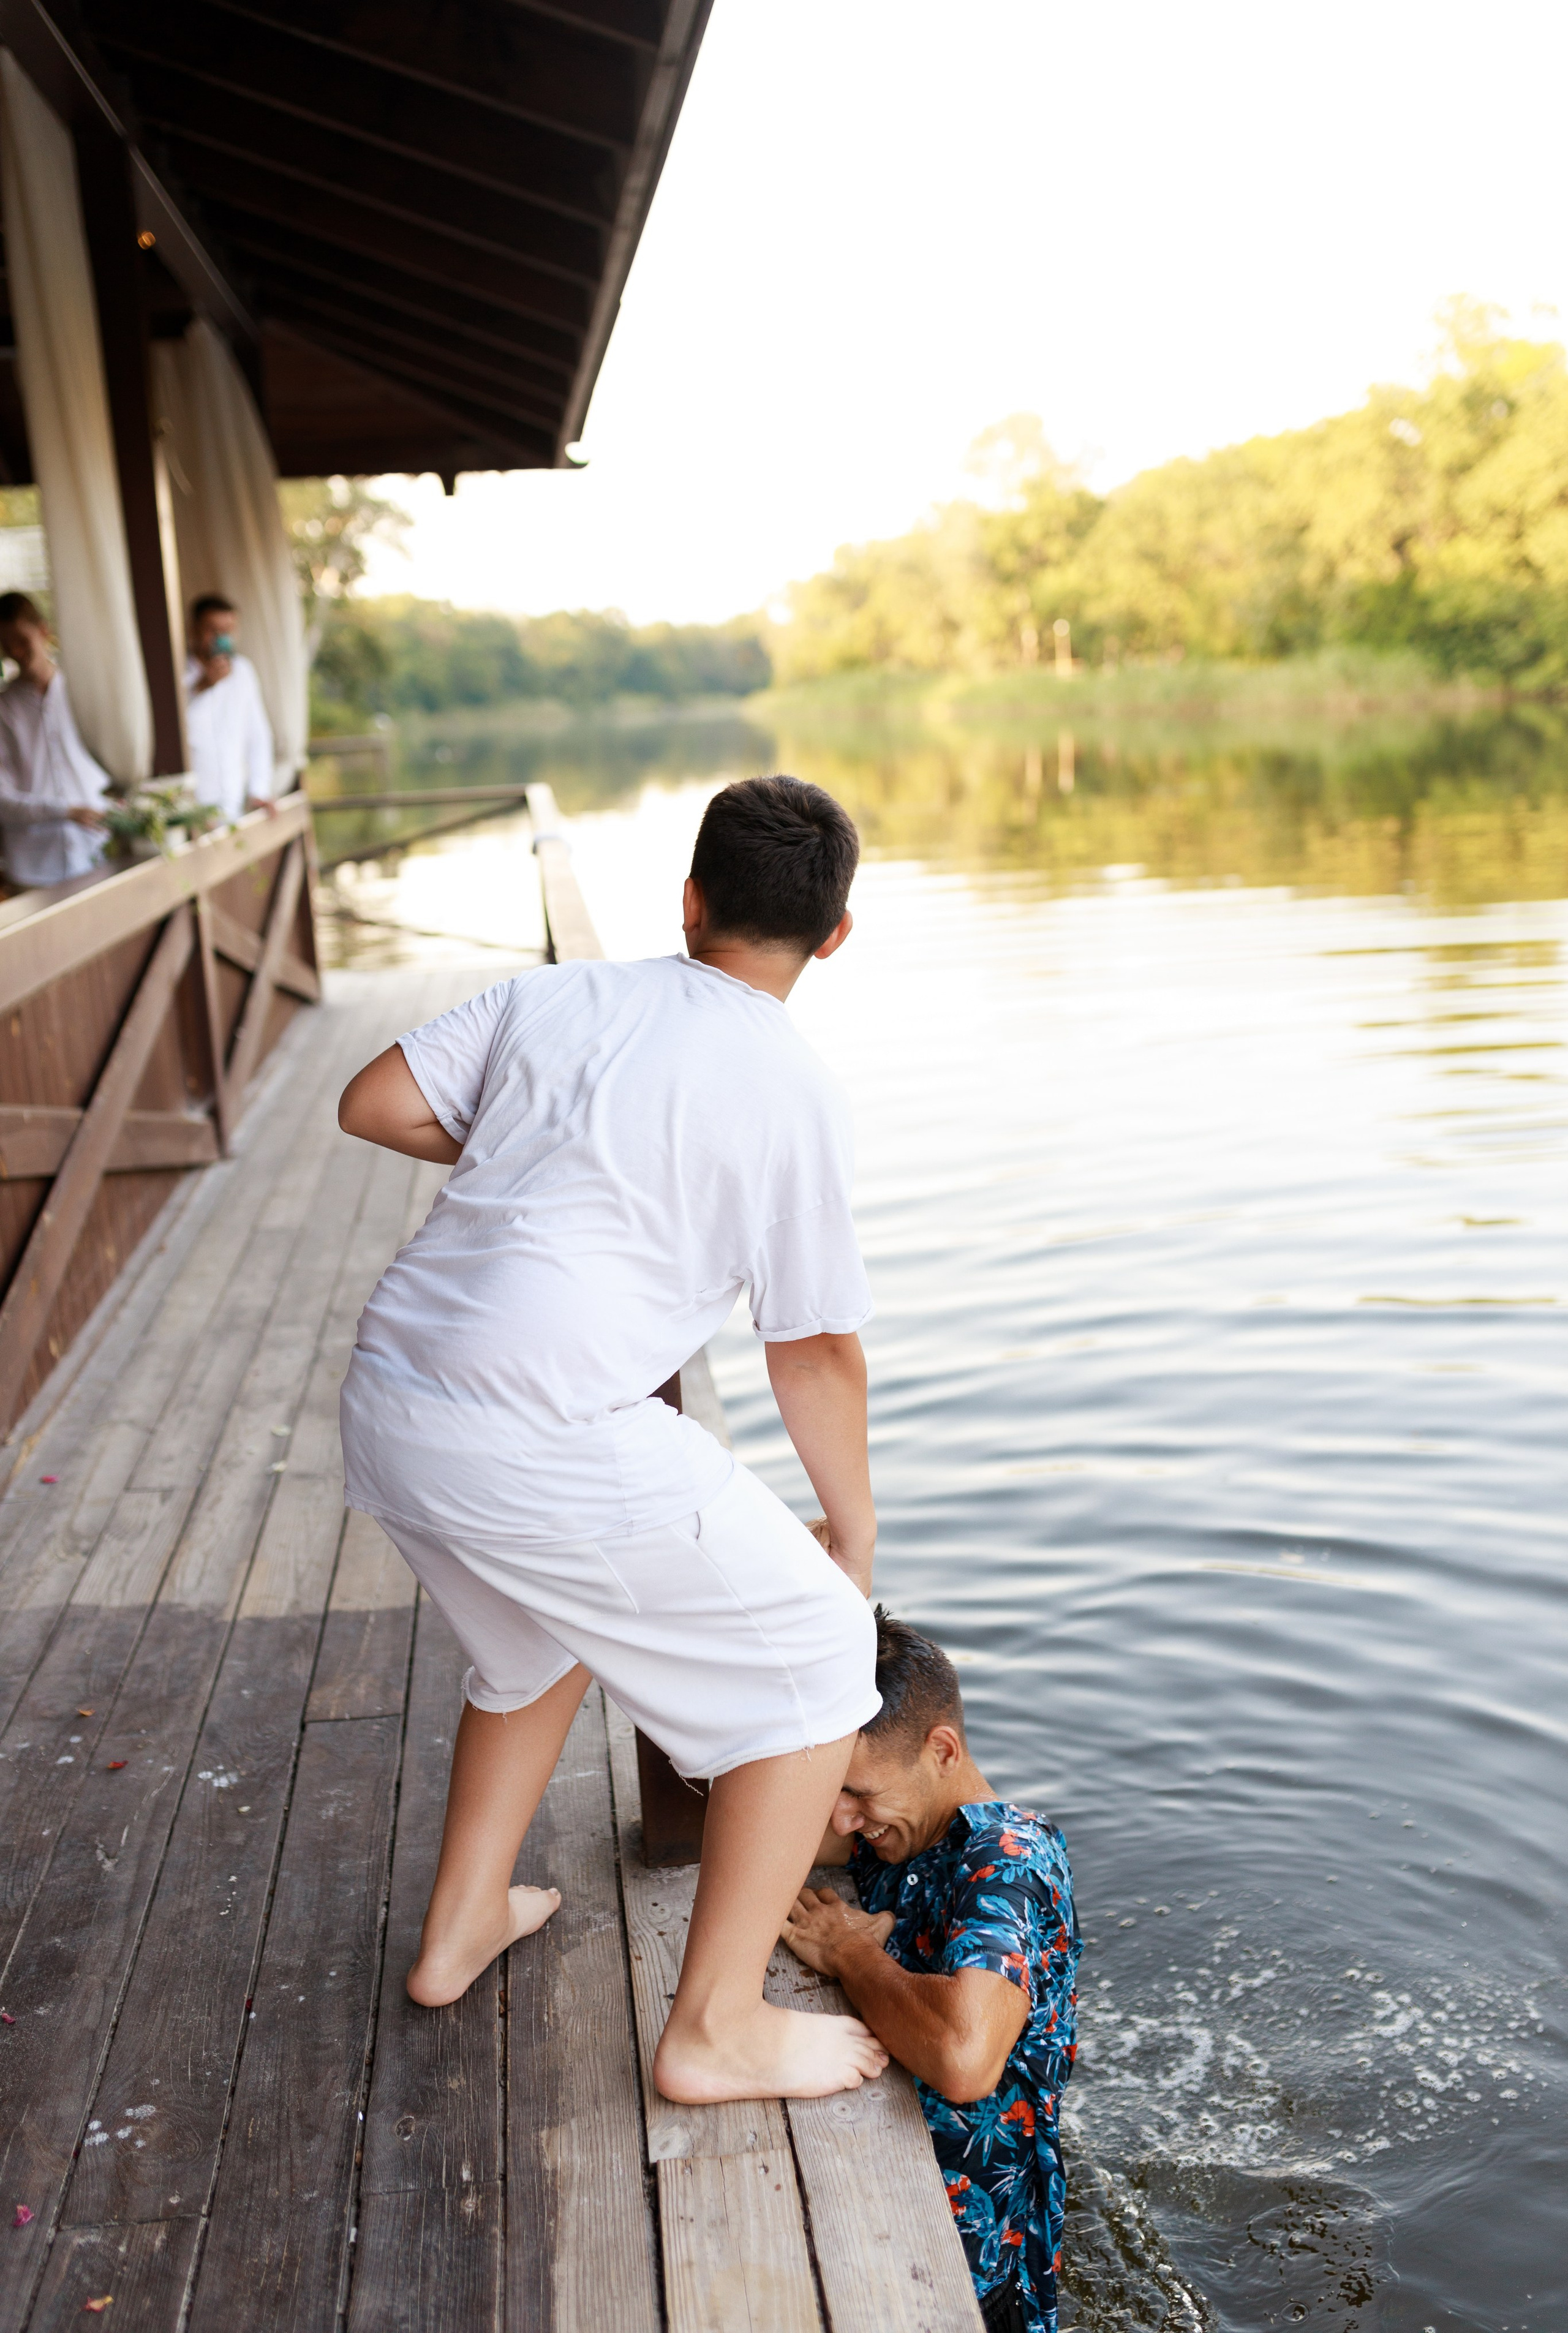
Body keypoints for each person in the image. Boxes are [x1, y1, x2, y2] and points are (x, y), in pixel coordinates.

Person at [336, 773, 891, 2103]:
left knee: (535, 1639)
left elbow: (372, 1102)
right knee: (817, 1657)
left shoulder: (558, 998)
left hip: (394, 1395)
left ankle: (461, 1925)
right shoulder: (792, 1087)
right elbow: (811, 1345)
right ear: (834, 936)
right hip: (536, 1430)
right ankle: (713, 2027)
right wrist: (852, 1536)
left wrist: (542, 1151)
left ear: (689, 903)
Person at [782, 1612, 1082, 2333]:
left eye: (860, 1792)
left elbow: (964, 2059)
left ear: (941, 1749)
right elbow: (766, 1818)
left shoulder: (1007, 1863)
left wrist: (852, 1954)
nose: (845, 1818)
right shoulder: (906, 1829)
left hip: (978, 2249)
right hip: (897, 2175)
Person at [0, 590, 109, 888]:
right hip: (35, 868)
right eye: (7, 646)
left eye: (22, 641)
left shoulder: (83, 690)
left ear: (44, 632)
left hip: (96, 852)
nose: (17, 654)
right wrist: (65, 812)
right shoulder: (3, 709)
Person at [184, 592, 275, 822]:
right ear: (194, 630)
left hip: (234, 802)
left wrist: (259, 789)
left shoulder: (243, 671)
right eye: (213, 630)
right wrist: (203, 686)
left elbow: (257, 734)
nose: (220, 638)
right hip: (193, 807)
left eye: (227, 631)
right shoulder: (181, 673)